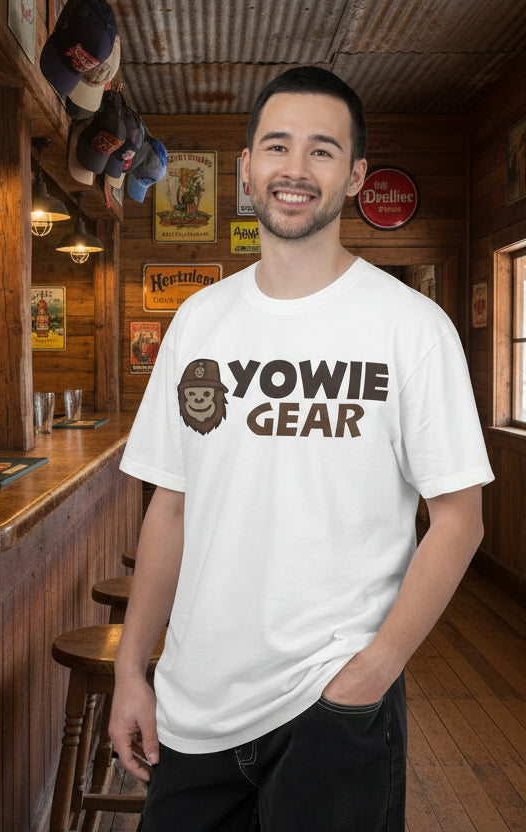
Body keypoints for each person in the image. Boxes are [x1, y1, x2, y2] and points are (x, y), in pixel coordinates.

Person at [109, 65, 494, 831]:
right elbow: (170, 510)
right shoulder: (199, 322)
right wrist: (131, 669)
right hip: (196, 701)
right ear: (246, 167)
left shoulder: (410, 327)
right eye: (277, 146)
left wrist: (374, 672)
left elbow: (459, 519)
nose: (295, 168)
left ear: (354, 177)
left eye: (322, 151)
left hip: (335, 706)